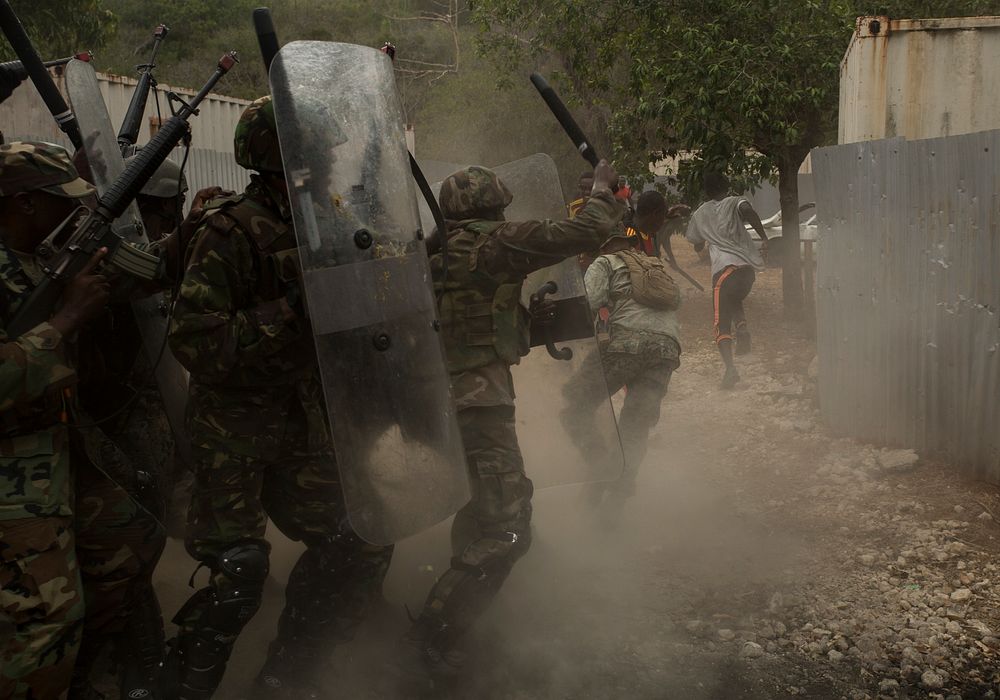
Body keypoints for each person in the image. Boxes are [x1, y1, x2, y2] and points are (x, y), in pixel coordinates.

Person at [163, 96, 394, 700]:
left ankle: (288, 677)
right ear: (280, 162)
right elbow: (196, 342)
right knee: (239, 571)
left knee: (361, 537)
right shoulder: (228, 231)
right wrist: (294, 306)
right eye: (316, 157)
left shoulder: (331, 224)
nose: (328, 167)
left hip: (303, 424)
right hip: (232, 431)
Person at [396, 160, 624, 686]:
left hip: (438, 404)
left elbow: (466, 318)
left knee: (481, 513)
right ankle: (432, 636)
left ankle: (461, 622)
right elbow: (587, 230)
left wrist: (523, 321)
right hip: (477, 404)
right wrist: (602, 189)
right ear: (494, 207)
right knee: (508, 528)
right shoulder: (493, 244)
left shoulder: (432, 255)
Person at [0, 140, 165, 700]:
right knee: (44, 619)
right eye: (58, 199)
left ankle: (75, 675)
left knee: (130, 540)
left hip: (61, 447)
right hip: (12, 470)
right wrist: (67, 318)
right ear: (22, 203)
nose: (71, 210)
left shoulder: (39, 257)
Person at [561, 230, 681, 522]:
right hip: (667, 350)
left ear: (598, 247)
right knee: (635, 427)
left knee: (574, 405)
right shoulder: (654, 264)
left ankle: (601, 467)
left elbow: (587, 303)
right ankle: (616, 501)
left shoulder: (605, 263)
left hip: (627, 344)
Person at [685, 171, 768, 388]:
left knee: (720, 322)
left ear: (706, 190)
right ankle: (742, 328)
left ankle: (730, 369)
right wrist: (764, 237)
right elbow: (747, 210)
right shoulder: (735, 201)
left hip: (723, 272)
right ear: (727, 185)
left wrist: (705, 239)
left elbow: (696, 243)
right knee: (734, 299)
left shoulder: (699, 213)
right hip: (747, 271)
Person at [623, 189, 689, 261]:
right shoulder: (630, 237)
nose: (663, 221)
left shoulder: (644, 230)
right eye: (663, 215)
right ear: (655, 214)